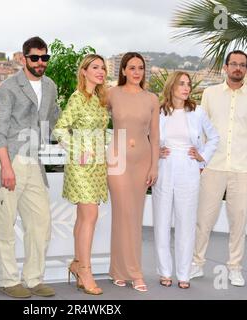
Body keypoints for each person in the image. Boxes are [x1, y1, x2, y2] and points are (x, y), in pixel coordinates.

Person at [0, 36, 59, 299]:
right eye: (35, 58)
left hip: (34, 162)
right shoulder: (8, 88)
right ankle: (8, 280)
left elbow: (54, 119)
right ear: (23, 58)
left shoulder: (50, 86)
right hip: (10, 160)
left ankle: (33, 278)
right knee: (5, 225)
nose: (40, 63)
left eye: (44, 57)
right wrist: (6, 168)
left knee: (41, 223)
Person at [190, 50, 247, 287]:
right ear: (225, 67)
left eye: (242, 65)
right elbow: (201, 130)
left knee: (239, 221)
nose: (237, 68)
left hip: (242, 169)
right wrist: (200, 161)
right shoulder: (210, 94)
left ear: (246, 69)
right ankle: (196, 263)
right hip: (212, 167)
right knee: (204, 219)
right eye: (233, 64)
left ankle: (235, 268)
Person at [152, 71, 219, 289]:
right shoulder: (159, 111)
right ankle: (164, 271)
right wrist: (155, 152)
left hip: (188, 168)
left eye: (188, 84)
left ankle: (183, 273)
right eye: (181, 84)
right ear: (171, 87)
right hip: (164, 167)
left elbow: (214, 137)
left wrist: (203, 157)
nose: (186, 87)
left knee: (186, 222)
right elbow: (146, 135)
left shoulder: (197, 112)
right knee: (162, 221)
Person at [54, 54, 109, 296]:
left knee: (84, 217)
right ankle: (85, 270)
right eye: (95, 67)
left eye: (103, 68)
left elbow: (98, 132)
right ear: (84, 72)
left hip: (98, 166)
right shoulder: (77, 98)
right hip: (81, 165)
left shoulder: (98, 99)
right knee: (90, 215)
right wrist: (78, 150)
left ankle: (77, 264)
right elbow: (59, 129)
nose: (101, 71)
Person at [107, 52, 159, 292]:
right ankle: (134, 273)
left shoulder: (151, 99)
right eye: (132, 68)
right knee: (122, 212)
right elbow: (92, 117)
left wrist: (154, 165)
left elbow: (155, 136)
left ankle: (118, 270)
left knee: (134, 217)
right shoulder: (111, 93)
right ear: (124, 70)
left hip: (142, 161)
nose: (137, 72)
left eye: (140, 68)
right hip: (117, 159)